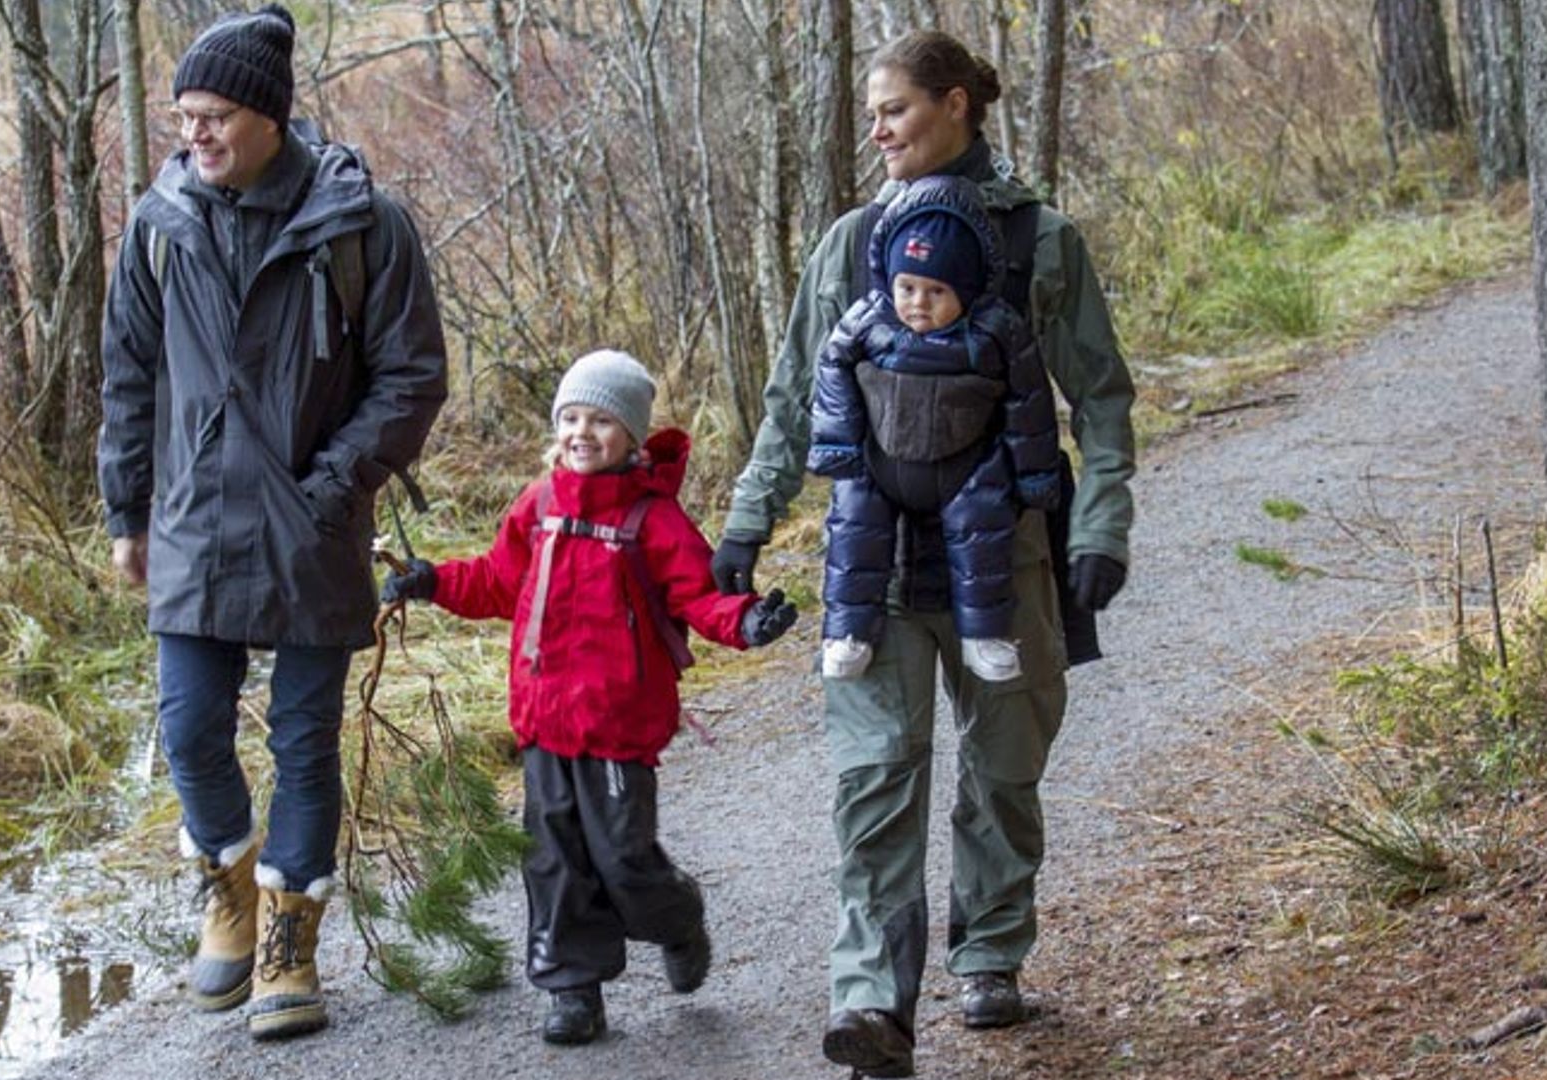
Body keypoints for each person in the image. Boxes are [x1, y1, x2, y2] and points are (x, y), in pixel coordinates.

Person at [712, 29, 1136, 1078]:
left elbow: (1104, 397)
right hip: (876, 571)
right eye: (870, 112)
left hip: (1015, 565)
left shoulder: (1042, 240)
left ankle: (990, 953)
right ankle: (873, 1003)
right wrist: (745, 523)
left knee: (1003, 770)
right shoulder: (852, 244)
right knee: (875, 777)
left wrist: (1101, 529)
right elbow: (789, 403)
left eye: (894, 108)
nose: (878, 128)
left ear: (956, 104)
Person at [97, 3, 448, 1042]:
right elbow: (128, 377)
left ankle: (292, 941)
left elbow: (413, 377)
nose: (194, 135)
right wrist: (128, 510)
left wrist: (334, 482)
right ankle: (228, 887)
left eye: (212, 116)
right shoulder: (160, 225)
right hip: (195, 521)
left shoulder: (363, 224)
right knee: (189, 729)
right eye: (185, 117)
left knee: (304, 742)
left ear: (266, 117)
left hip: (311, 523)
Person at [380, 350, 799, 1045]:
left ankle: (676, 917)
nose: (582, 432)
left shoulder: (652, 520)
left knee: (624, 857)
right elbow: (494, 581)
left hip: (619, 721)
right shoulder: (539, 506)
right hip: (545, 716)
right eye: (571, 417)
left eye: (601, 420)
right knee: (552, 856)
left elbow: (698, 596)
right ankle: (573, 990)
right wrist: (432, 581)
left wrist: (747, 620)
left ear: (632, 436)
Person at [808, 175, 1061, 685]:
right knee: (854, 527)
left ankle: (985, 634)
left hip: (966, 464)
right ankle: (848, 633)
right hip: (881, 462)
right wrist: (837, 443)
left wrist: (1035, 476)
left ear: (965, 291)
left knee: (983, 530)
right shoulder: (869, 320)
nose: (917, 303)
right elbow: (830, 367)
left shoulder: (995, 329)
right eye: (907, 287)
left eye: (935, 291)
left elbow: (1029, 402)